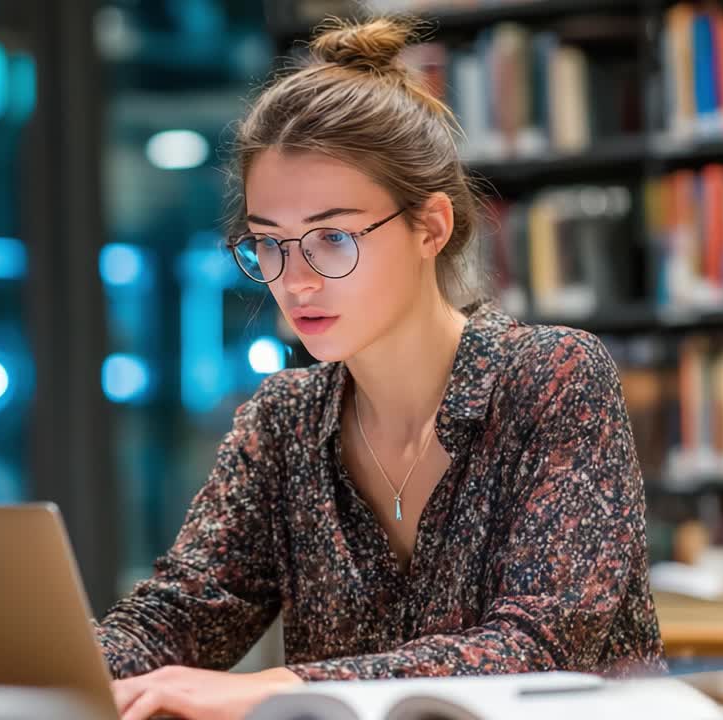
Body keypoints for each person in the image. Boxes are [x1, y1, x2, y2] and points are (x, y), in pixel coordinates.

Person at [95, 16, 666, 720]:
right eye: (269, 244)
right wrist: (48, 666)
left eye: (332, 239)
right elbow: (179, 616)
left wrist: (271, 687)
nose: (295, 280)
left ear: (430, 226)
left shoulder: (551, 378)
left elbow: (536, 650)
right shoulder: (286, 422)